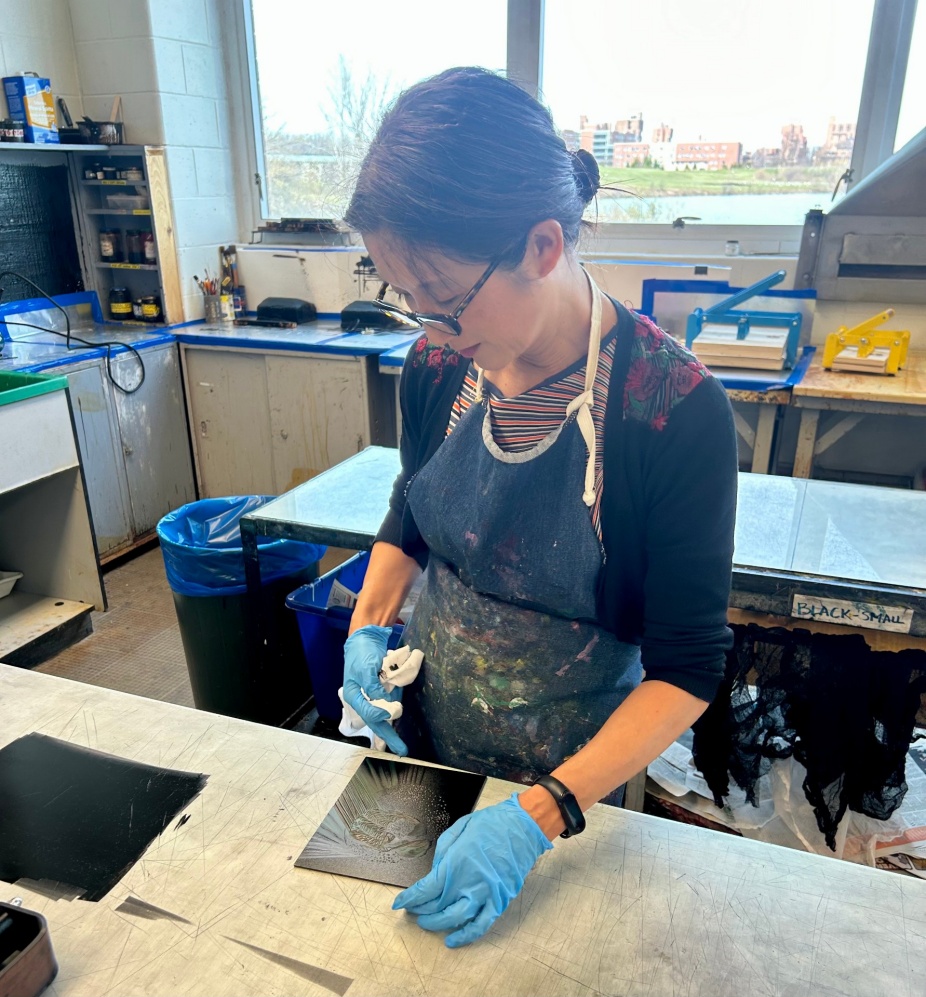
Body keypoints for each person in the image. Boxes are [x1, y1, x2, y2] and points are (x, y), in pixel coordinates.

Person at [340, 67, 738, 948]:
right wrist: (367, 625)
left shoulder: (668, 408)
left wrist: (539, 814)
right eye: (407, 300)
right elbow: (414, 509)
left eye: (446, 300)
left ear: (543, 245)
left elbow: (687, 667)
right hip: (426, 744)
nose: (430, 329)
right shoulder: (437, 366)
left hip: (573, 792)